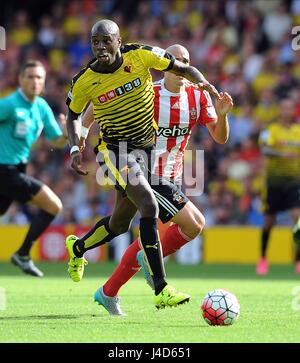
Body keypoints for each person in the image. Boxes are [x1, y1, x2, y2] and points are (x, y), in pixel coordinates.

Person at [65, 19, 220, 312]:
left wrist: (203, 82)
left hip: (144, 152)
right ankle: (161, 288)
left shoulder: (141, 55)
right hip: (114, 151)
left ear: (119, 41)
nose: (100, 47)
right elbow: (74, 115)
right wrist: (76, 145)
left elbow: (181, 68)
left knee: (119, 224)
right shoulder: (85, 79)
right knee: (149, 206)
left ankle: (77, 248)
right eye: (95, 42)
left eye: (106, 41)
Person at [0, 60, 67, 277]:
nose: (35, 81)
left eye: (39, 77)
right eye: (30, 76)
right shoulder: (10, 104)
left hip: (17, 170)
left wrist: (66, 133)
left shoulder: (41, 107)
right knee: (53, 205)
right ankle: (23, 254)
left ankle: (22, 254)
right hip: (4, 170)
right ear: (20, 79)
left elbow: (55, 140)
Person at [256, 97, 300, 275]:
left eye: (290, 108)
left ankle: (298, 260)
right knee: (269, 222)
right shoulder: (271, 130)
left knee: (297, 218)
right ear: (280, 110)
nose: (287, 111)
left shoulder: (298, 131)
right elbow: (265, 149)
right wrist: (284, 154)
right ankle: (263, 258)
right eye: (284, 108)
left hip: (294, 182)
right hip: (274, 183)